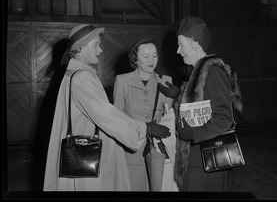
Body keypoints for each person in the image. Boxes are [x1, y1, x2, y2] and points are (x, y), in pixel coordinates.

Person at [43, 24, 170, 191]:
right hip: (87, 153)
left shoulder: (77, 73)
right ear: (80, 48)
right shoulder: (81, 77)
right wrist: (144, 128)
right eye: (95, 45)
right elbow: (106, 115)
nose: (101, 50)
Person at [158, 16, 243, 192]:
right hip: (194, 159)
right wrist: (178, 95)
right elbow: (201, 103)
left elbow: (224, 119)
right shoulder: (198, 72)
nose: (177, 51)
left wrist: (191, 134)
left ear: (196, 44)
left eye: (181, 45)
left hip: (208, 161)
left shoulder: (214, 72)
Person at [113, 37, 178, 191]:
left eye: (154, 55)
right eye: (146, 56)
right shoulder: (122, 81)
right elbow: (117, 120)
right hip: (132, 150)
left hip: (159, 151)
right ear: (136, 59)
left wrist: (178, 97)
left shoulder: (165, 81)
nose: (151, 60)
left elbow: (171, 118)